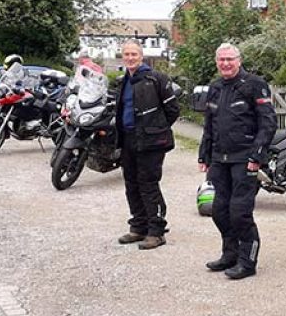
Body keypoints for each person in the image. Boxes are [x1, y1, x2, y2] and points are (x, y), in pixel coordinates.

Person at [198, 43, 276, 279]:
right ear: (216, 62)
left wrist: (257, 155)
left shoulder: (254, 85)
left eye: (230, 59)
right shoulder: (215, 88)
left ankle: (247, 261)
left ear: (239, 61)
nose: (225, 64)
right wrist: (204, 155)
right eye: (221, 60)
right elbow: (209, 125)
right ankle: (229, 255)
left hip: (245, 159)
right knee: (220, 211)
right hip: (220, 159)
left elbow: (268, 123)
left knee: (239, 212)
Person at [115, 40, 180, 250]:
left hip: (152, 141)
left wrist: (156, 129)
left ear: (141, 56)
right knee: (131, 184)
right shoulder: (123, 80)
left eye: (134, 54)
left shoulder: (156, 79)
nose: (130, 58)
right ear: (123, 57)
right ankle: (138, 227)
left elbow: (173, 110)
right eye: (127, 54)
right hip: (128, 139)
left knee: (148, 184)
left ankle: (156, 231)